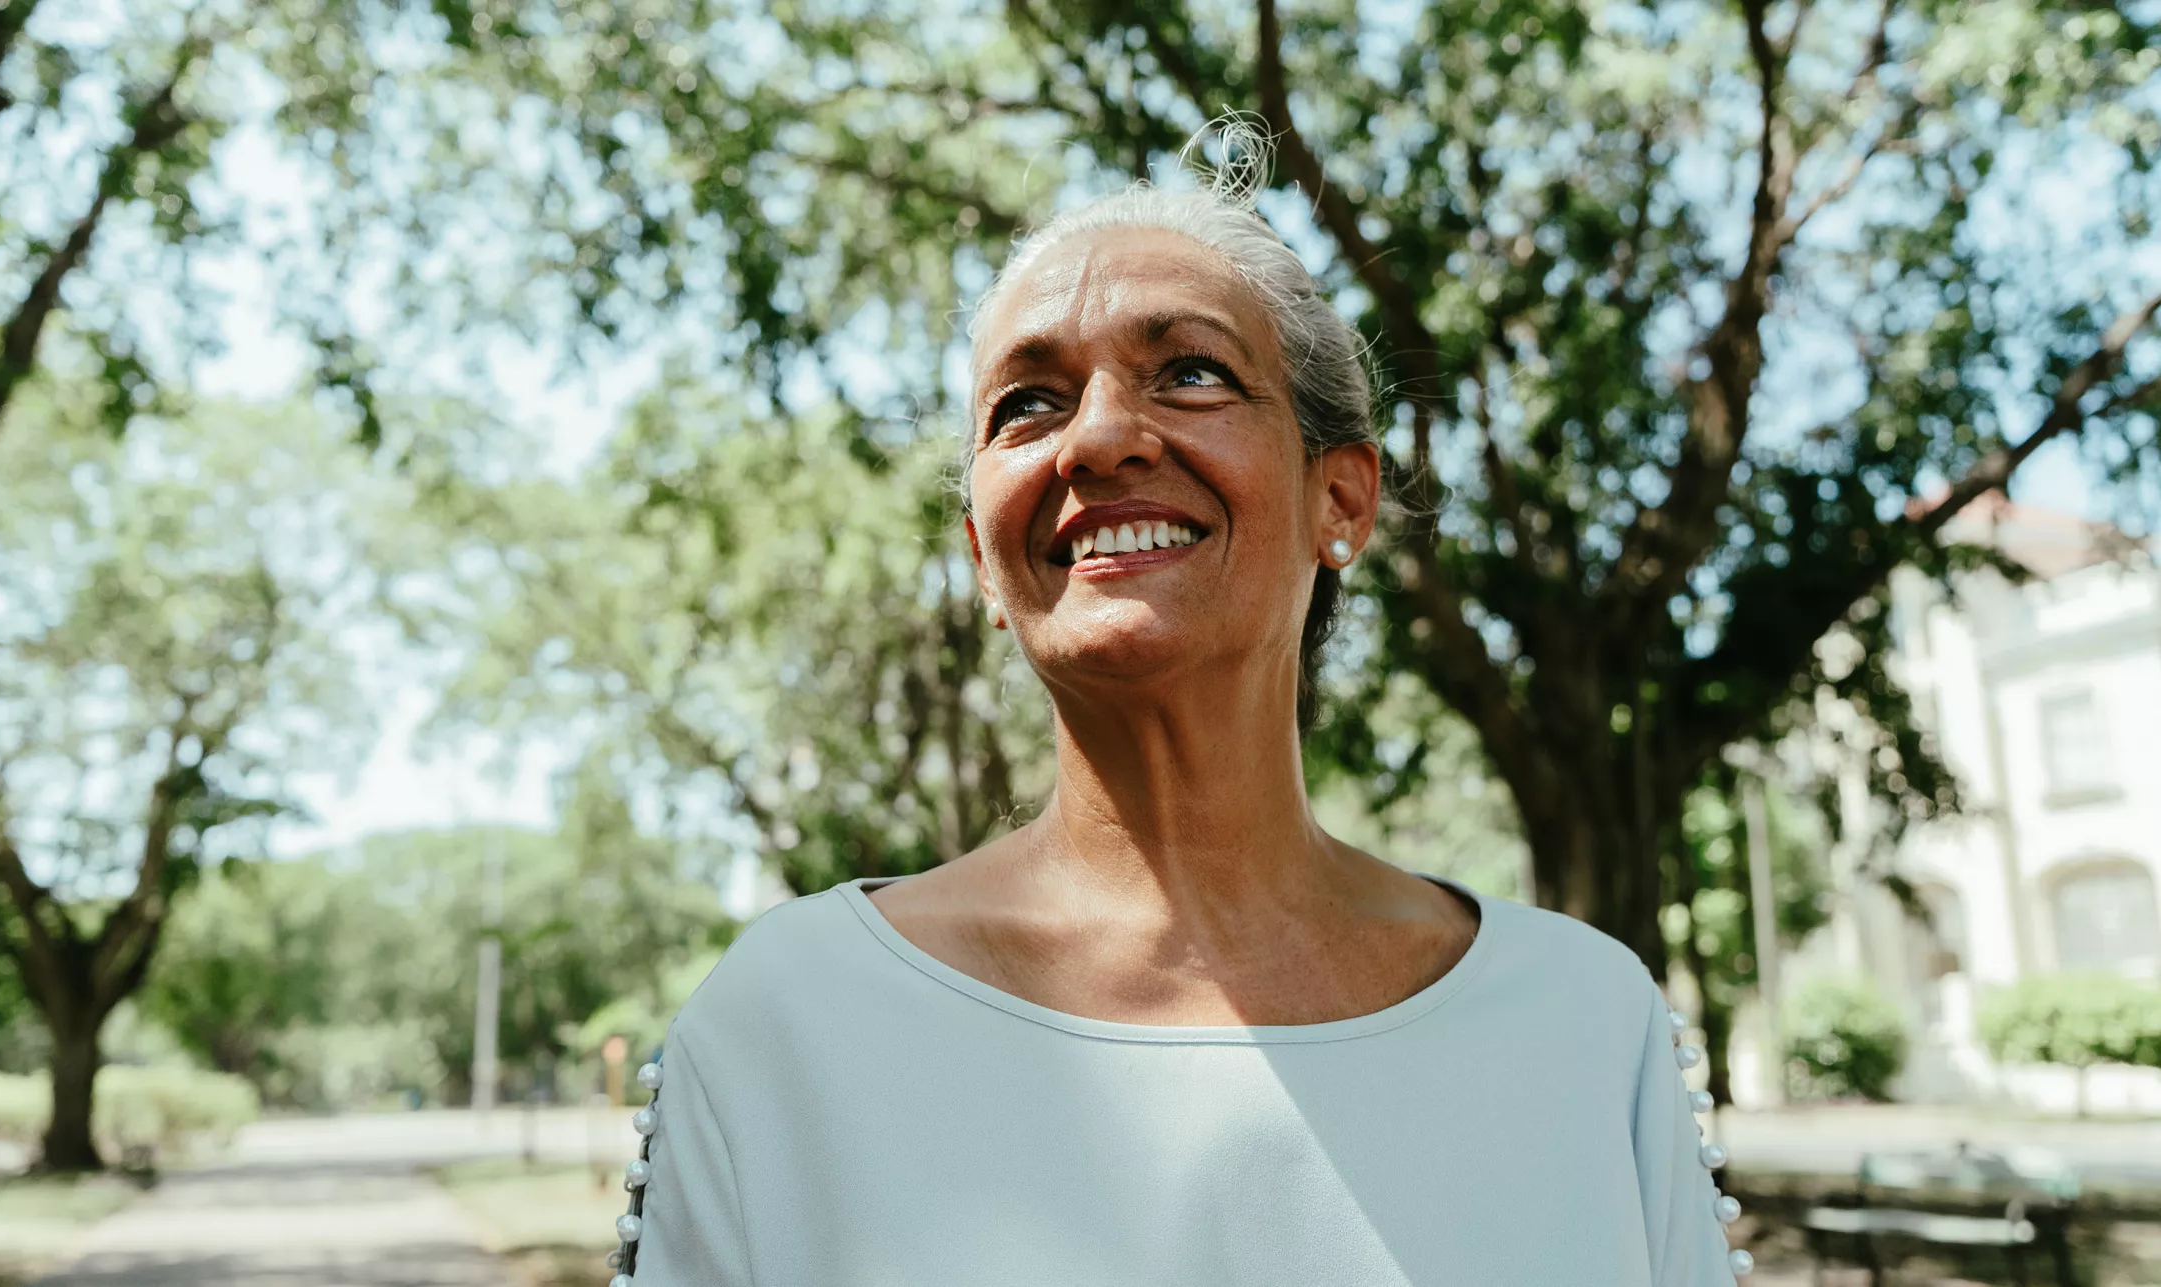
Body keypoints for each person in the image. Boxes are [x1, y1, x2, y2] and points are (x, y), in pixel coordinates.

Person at [616, 123, 1750, 1286]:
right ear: (981, 561)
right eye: (1027, 404)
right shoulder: (786, 1026)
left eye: (1192, 372)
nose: (1099, 439)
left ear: (1342, 498)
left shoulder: (1579, 1026)